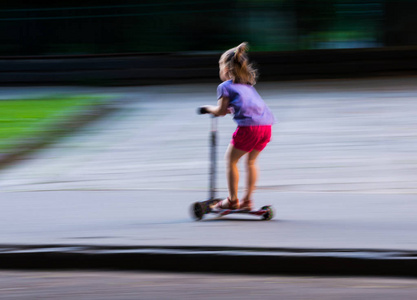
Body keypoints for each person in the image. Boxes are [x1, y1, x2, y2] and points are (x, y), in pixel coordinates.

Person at [202, 42, 276, 211]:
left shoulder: (224, 87)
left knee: (230, 160)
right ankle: (247, 201)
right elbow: (246, 106)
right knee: (251, 162)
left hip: (249, 129)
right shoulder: (247, 86)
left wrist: (208, 109)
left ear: (226, 69)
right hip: (266, 126)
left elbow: (220, 111)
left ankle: (232, 200)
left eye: (220, 66)